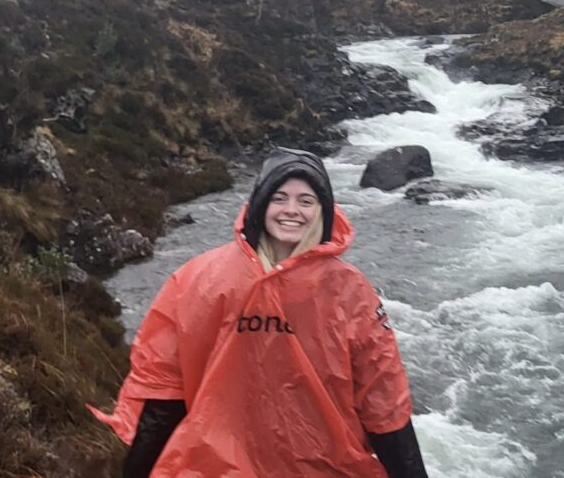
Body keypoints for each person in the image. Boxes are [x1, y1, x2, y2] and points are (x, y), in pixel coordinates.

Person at [92, 147, 429, 477]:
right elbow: (164, 386)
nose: (291, 210)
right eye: (279, 197)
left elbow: (382, 400)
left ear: (323, 210)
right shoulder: (200, 280)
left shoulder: (350, 292)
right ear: (260, 204)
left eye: (306, 200)